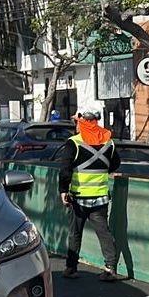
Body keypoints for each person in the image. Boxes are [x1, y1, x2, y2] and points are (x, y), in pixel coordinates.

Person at [57, 111, 120, 281]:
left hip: (78, 198)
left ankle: (71, 268)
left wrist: (63, 190)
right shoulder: (109, 142)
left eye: (77, 123)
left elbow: (65, 169)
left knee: (75, 233)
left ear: (82, 124)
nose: (76, 126)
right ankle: (111, 268)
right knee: (104, 233)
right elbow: (115, 164)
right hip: (100, 197)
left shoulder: (74, 143)